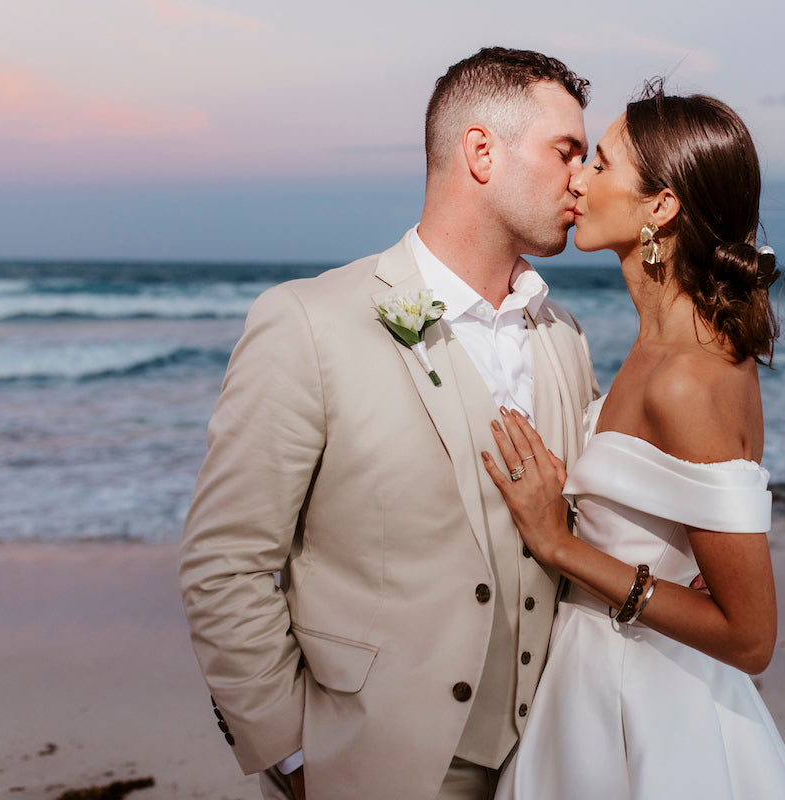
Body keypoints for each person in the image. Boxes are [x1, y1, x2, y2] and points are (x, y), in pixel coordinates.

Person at [178, 47, 600, 800]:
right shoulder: (308, 322)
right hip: (377, 765)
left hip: (546, 763)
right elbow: (226, 562)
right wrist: (295, 755)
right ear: (481, 151)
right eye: (566, 151)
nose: (582, 178)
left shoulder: (563, 336)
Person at [481, 83, 785, 799]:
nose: (576, 177)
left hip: (645, 705)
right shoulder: (656, 346)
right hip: (592, 681)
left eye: (599, 164)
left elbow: (751, 638)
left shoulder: (689, 377)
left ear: (660, 208)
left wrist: (559, 543)